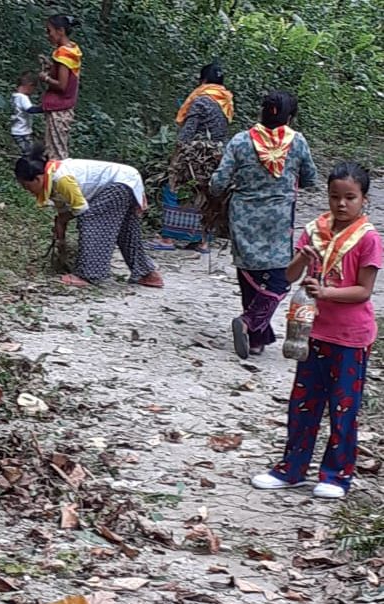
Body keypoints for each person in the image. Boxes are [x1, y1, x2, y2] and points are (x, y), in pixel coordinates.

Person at [251, 163, 381, 499]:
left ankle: (337, 475)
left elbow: (364, 291)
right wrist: (303, 258)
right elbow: (290, 275)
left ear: (364, 200)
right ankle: (291, 469)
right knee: (303, 404)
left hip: (350, 336)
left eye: (350, 197)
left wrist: (326, 292)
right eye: (335, 196)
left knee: (343, 407)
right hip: (312, 330)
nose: (341, 204)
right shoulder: (315, 230)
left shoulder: (368, 238)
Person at [209, 90, 317, 358]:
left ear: (261, 112)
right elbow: (310, 178)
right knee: (280, 280)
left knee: (249, 275)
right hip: (278, 223)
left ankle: (256, 337)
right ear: (290, 118)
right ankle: (249, 324)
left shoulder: (240, 141)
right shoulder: (297, 142)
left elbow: (217, 184)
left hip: (242, 219)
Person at [15, 145, 163, 288]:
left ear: (38, 179)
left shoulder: (60, 178)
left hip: (120, 183)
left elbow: (81, 209)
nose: (28, 190)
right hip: (127, 180)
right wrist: (60, 233)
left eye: (27, 186)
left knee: (91, 219)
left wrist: (62, 221)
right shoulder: (53, 177)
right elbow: (64, 212)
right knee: (126, 231)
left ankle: (89, 274)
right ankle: (147, 274)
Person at [150, 64, 234, 252]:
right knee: (205, 196)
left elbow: (188, 131)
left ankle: (168, 238)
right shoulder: (226, 101)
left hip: (195, 154)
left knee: (173, 187)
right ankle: (202, 240)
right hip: (216, 154)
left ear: (203, 80)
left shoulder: (201, 100)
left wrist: (176, 153)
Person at [39, 15, 83, 160]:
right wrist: (51, 66)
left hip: (59, 109)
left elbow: (62, 85)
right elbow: (66, 73)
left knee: (56, 154)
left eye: (49, 31)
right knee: (56, 149)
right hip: (66, 107)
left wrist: (45, 78)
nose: (48, 35)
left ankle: (59, 174)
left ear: (60, 31)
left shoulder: (63, 54)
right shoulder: (72, 49)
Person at [11, 72, 39, 156]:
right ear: (29, 85)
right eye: (33, 89)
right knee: (30, 153)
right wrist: (45, 108)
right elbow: (30, 109)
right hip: (22, 132)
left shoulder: (14, 96)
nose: (33, 91)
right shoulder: (23, 97)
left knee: (27, 151)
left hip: (16, 130)